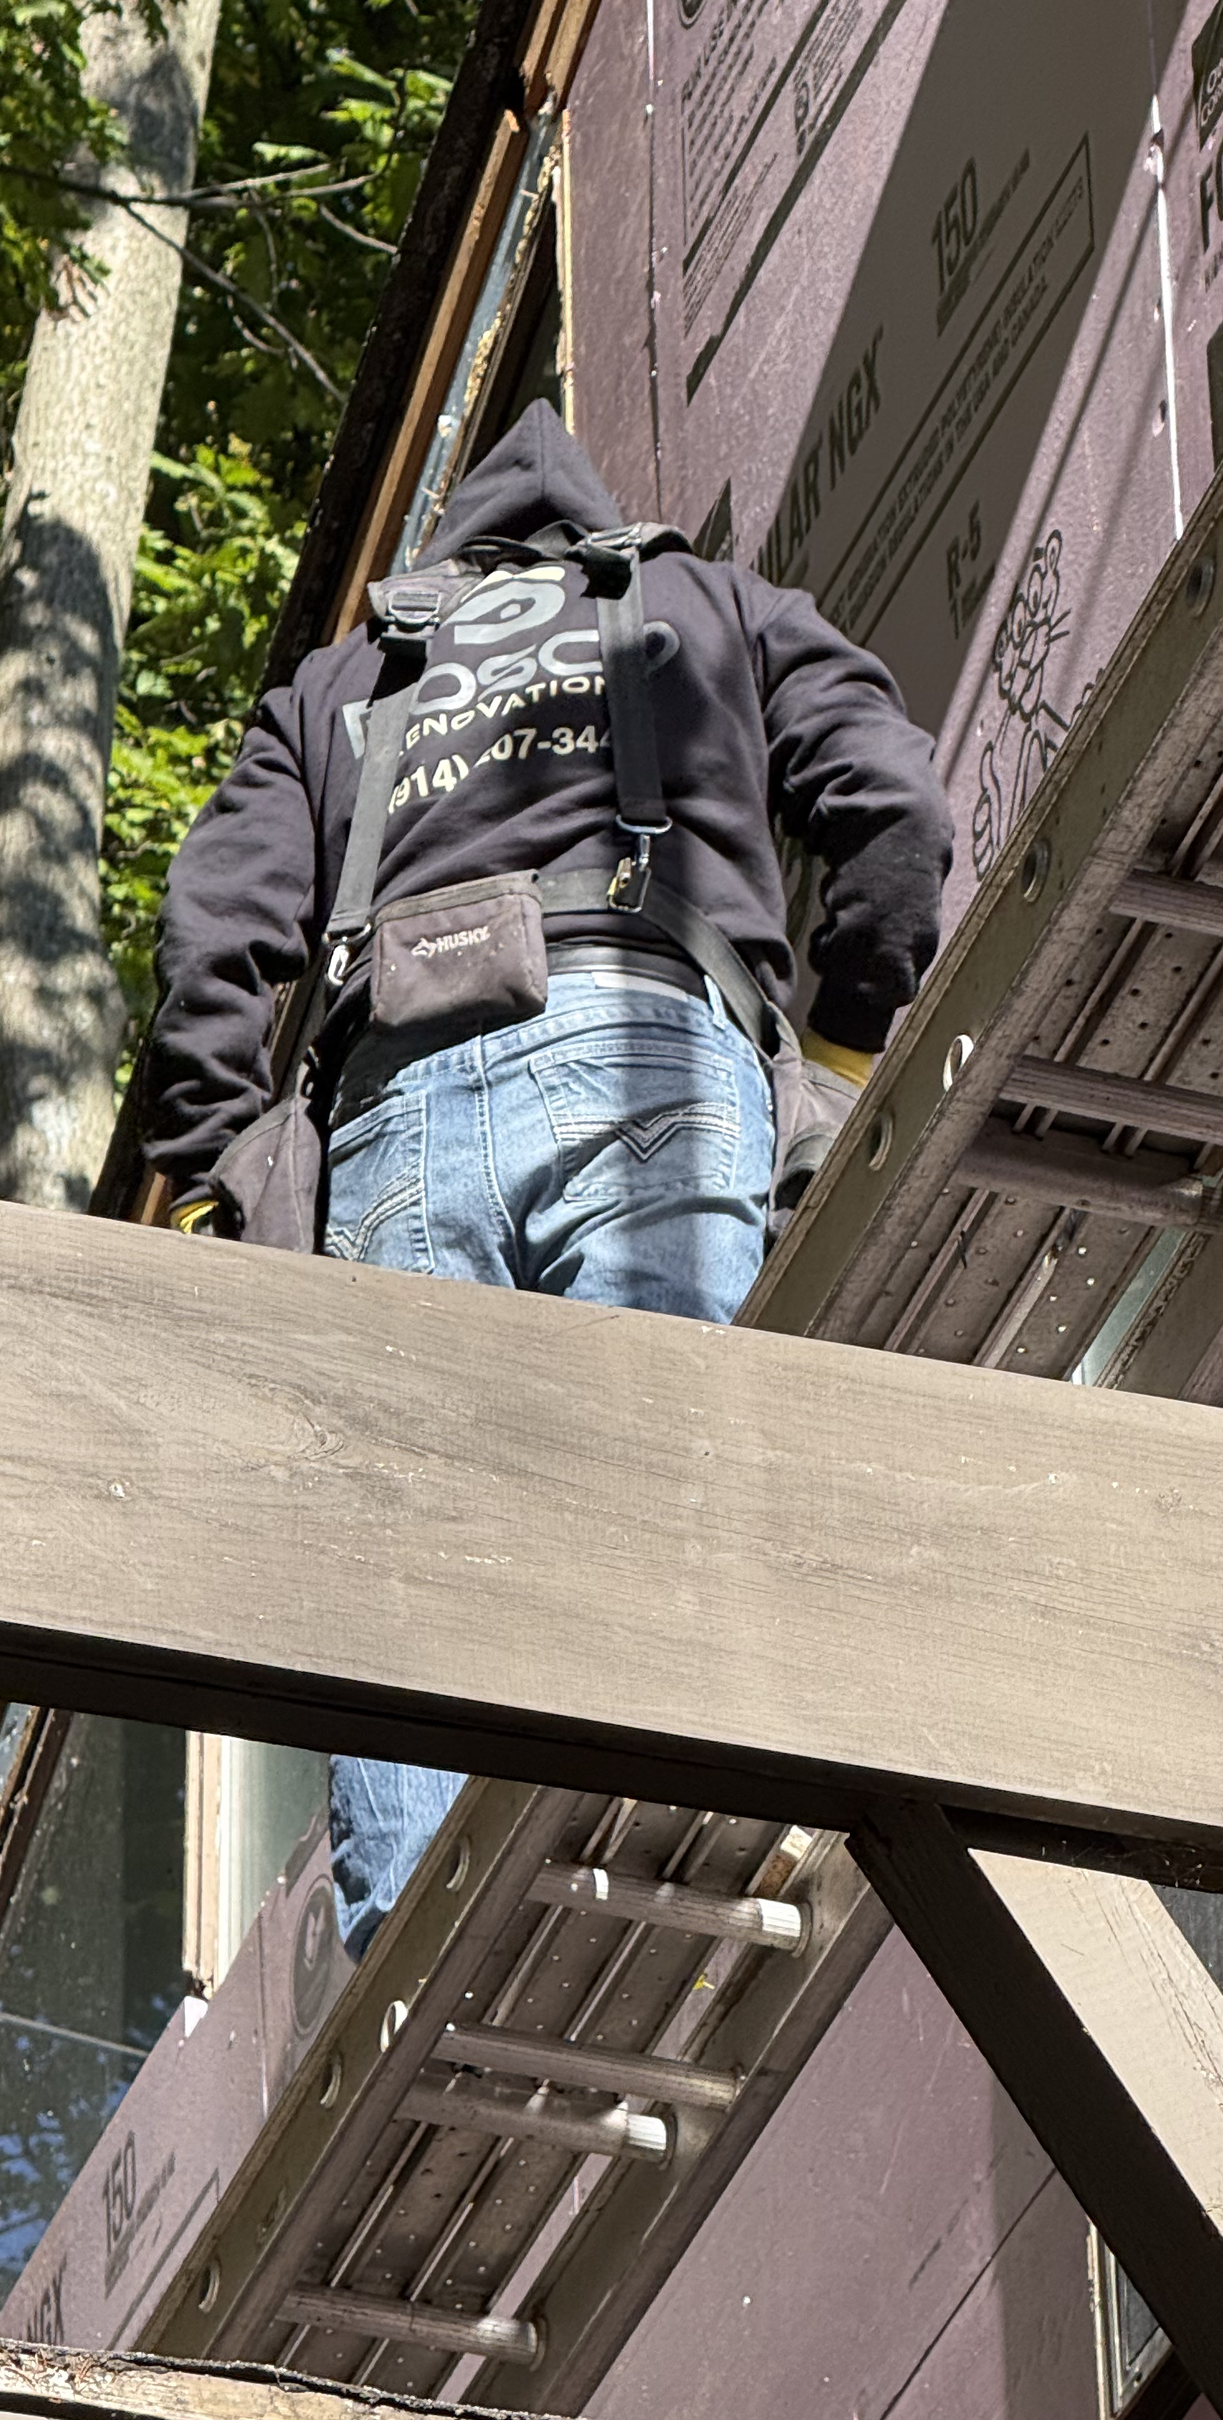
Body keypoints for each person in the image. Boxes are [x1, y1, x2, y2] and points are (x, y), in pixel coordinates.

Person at [143, 398, 953, 1955]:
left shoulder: (336, 687)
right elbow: (897, 812)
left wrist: (205, 1194)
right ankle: (728, 1826)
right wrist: (836, 1064)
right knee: (674, 1489)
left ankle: (404, 1964)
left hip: (389, 1122)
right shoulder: (709, 604)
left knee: (408, 1572)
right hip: (649, 1049)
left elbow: (210, 950)